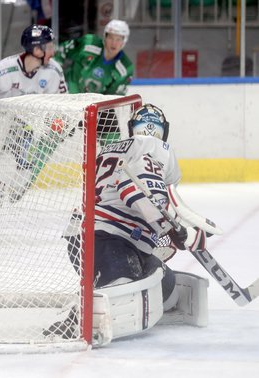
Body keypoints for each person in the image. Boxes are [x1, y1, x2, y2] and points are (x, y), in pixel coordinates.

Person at [57, 104, 209, 340]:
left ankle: (105, 284)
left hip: (84, 238)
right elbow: (135, 191)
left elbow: (136, 191)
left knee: (166, 290)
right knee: (125, 292)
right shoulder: (155, 146)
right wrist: (179, 230)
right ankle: (76, 319)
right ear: (162, 131)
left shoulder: (111, 148)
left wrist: (170, 227)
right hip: (106, 238)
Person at [0, 24, 68, 230]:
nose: (53, 51)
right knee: (2, 168)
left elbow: (61, 102)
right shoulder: (2, 70)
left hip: (26, 128)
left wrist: (58, 122)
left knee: (20, 180)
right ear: (37, 49)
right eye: (49, 46)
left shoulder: (54, 72)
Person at [54, 19, 134, 96]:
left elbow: (114, 98)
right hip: (65, 96)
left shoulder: (126, 68)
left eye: (118, 39)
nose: (114, 43)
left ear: (124, 41)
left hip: (92, 106)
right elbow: (62, 50)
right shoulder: (89, 42)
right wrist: (55, 73)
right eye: (110, 38)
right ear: (105, 37)